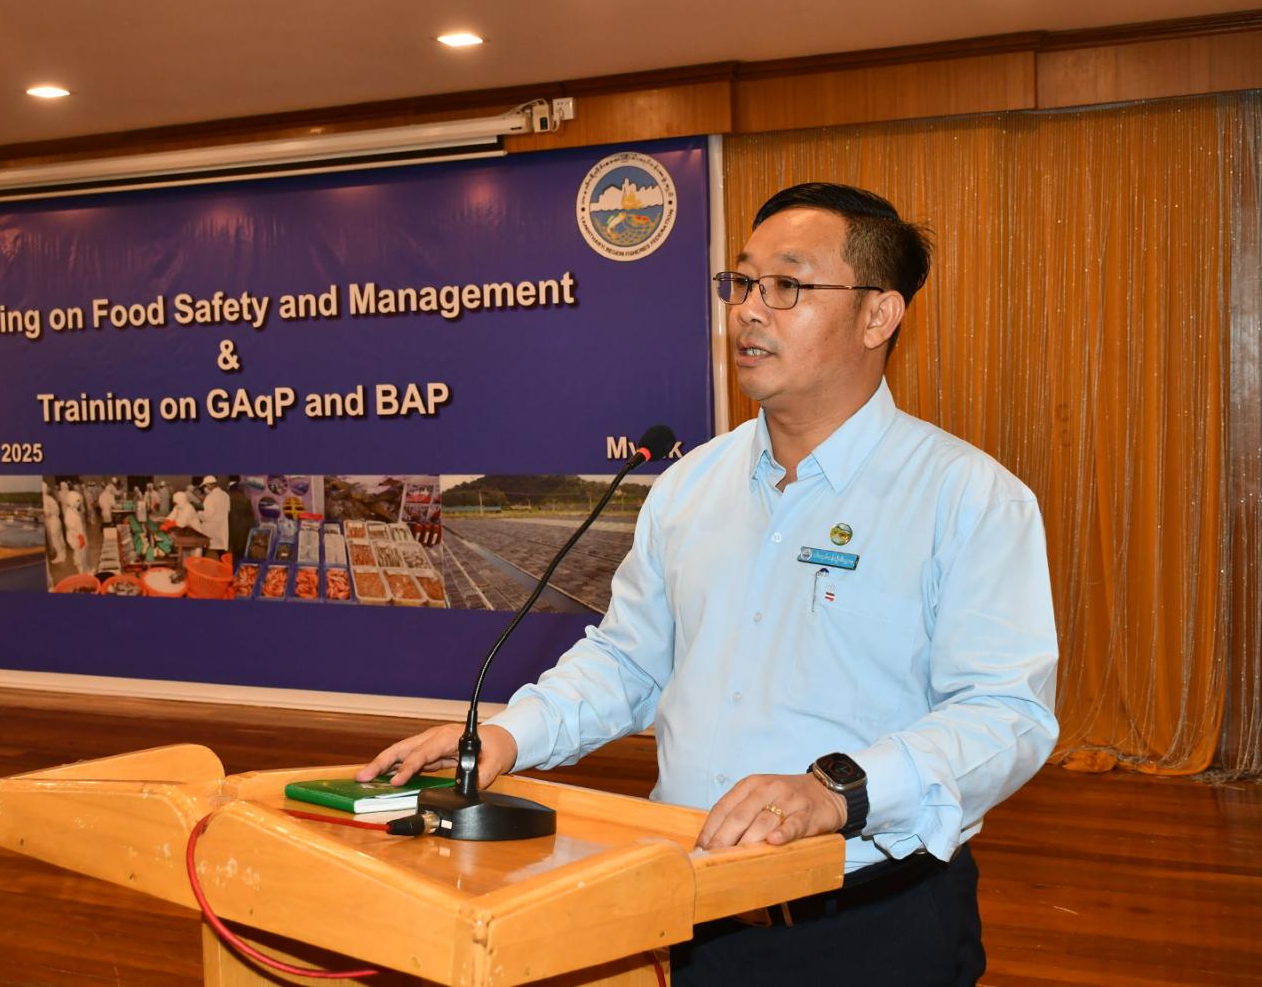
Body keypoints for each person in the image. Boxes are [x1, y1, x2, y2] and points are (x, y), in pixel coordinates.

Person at [359, 183, 1059, 986]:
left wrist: (837, 793)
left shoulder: (967, 497)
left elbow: (1006, 713)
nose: (749, 311)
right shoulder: (691, 485)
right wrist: (508, 737)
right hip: (689, 909)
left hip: (871, 921)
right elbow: (630, 661)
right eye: (742, 281)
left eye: (786, 285)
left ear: (878, 315)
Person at [198, 475, 230, 554]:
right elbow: (228, 510)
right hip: (222, 527)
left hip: (211, 528)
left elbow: (207, 515)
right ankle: (224, 561)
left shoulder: (210, 497)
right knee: (221, 549)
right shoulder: (225, 495)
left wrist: (198, 514)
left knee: (204, 545)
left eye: (206, 486)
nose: (205, 488)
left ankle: (201, 561)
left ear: (210, 485)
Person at [41, 481, 66, 565]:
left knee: (55, 540)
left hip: (51, 521)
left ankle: (60, 556)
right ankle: (63, 554)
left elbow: (47, 513)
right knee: (60, 538)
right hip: (57, 519)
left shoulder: (44, 499)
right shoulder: (50, 498)